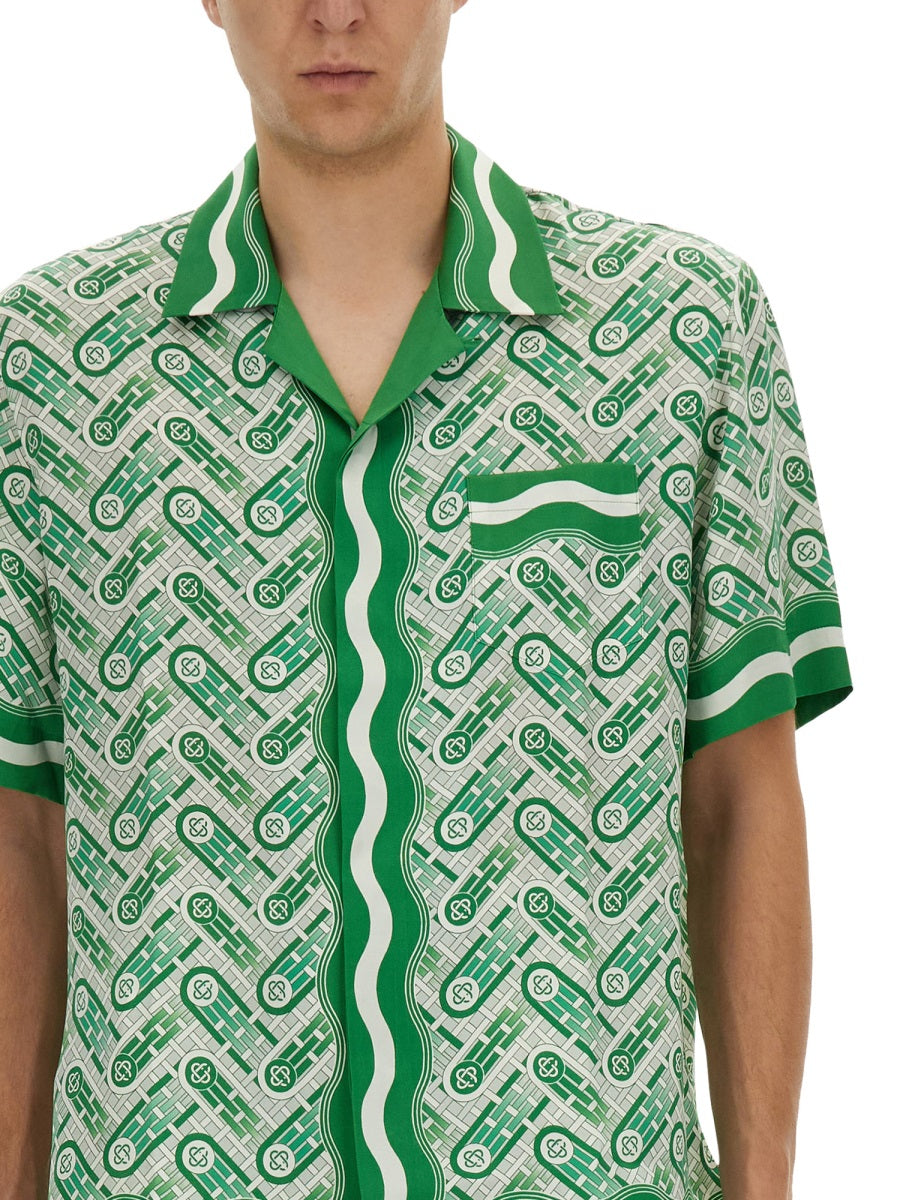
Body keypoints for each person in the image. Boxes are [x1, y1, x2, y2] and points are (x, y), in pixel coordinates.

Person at [0, 2, 854, 1199]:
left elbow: (742, 794)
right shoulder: (52, 365)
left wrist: (764, 1184)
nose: (334, 11)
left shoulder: (683, 330)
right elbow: (23, 828)